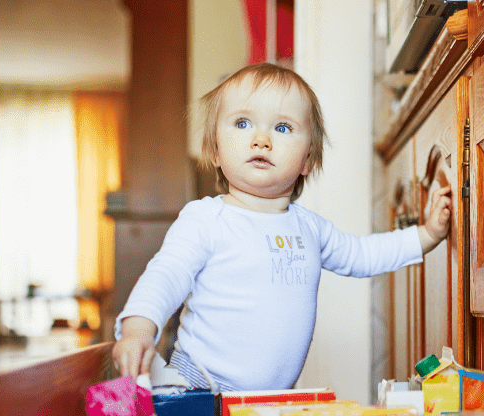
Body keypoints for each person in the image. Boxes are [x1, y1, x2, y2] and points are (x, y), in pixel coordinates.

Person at [112, 62, 452, 392]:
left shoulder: (309, 229)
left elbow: (363, 255)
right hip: (198, 386)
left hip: (272, 400)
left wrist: (427, 234)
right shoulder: (205, 220)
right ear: (215, 150)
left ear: (307, 159)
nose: (261, 139)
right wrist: (138, 329)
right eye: (243, 123)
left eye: (283, 128)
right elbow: (165, 275)